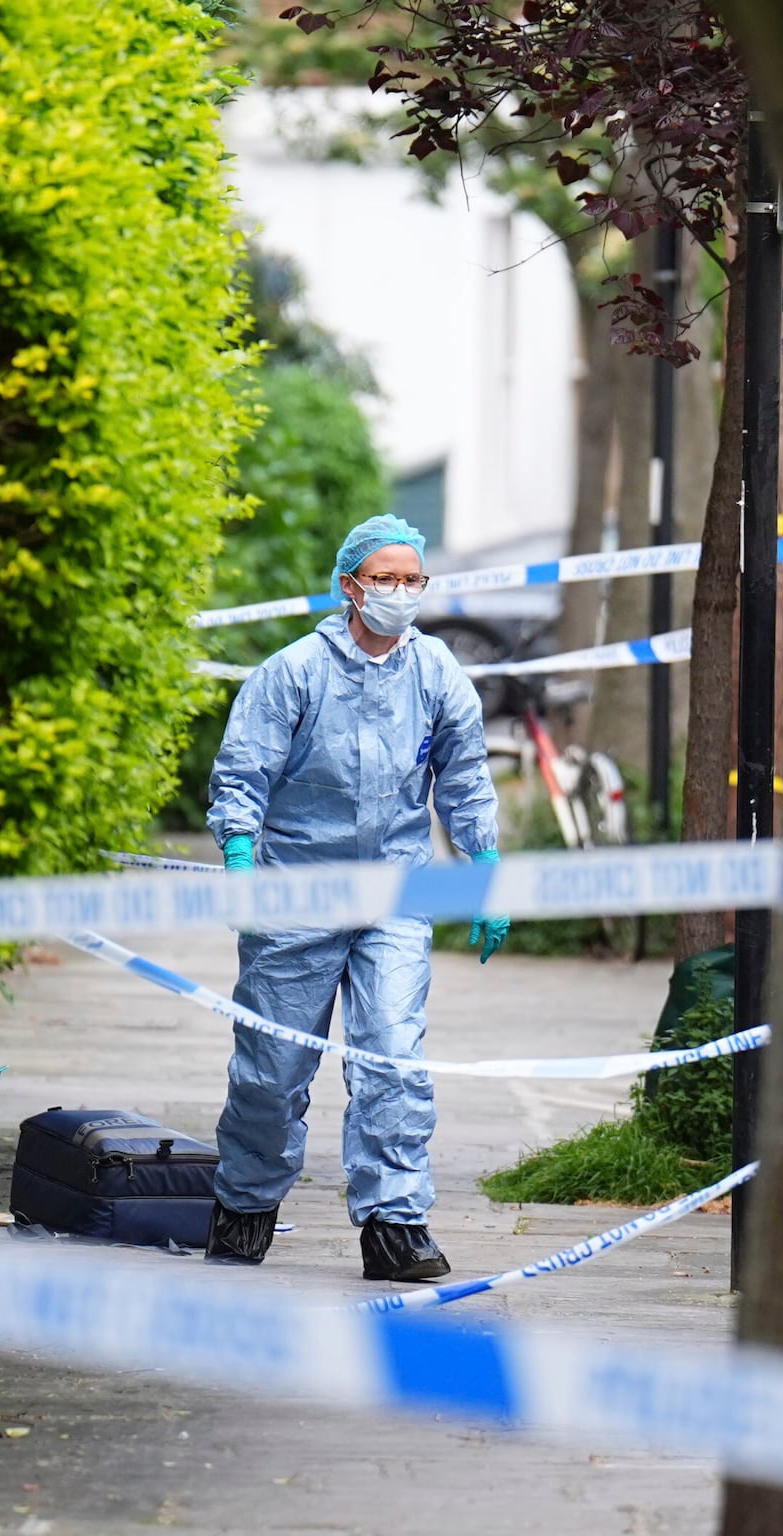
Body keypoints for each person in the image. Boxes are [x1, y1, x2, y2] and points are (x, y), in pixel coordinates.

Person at [203, 514, 509, 1281]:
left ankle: (395, 1224)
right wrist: (241, 853)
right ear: (349, 586)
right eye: (385, 579)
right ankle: (244, 1206)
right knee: (271, 1070)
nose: (400, 593)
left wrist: (485, 871)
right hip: (295, 896)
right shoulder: (294, 672)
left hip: (395, 897)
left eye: (413, 581)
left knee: (393, 1061)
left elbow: (466, 780)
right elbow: (242, 772)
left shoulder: (436, 672)